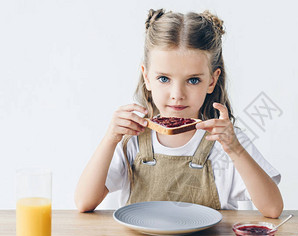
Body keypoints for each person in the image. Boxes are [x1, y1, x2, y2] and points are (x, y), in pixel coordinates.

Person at [74, 9, 283, 218]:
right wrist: (110, 139)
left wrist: (236, 149)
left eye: (193, 80)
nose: (177, 95)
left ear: (212, 80)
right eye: (164, 79)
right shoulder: (133, 140)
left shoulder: (225, 142)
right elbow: (84, 202)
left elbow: (272, 209)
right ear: (147, 77)